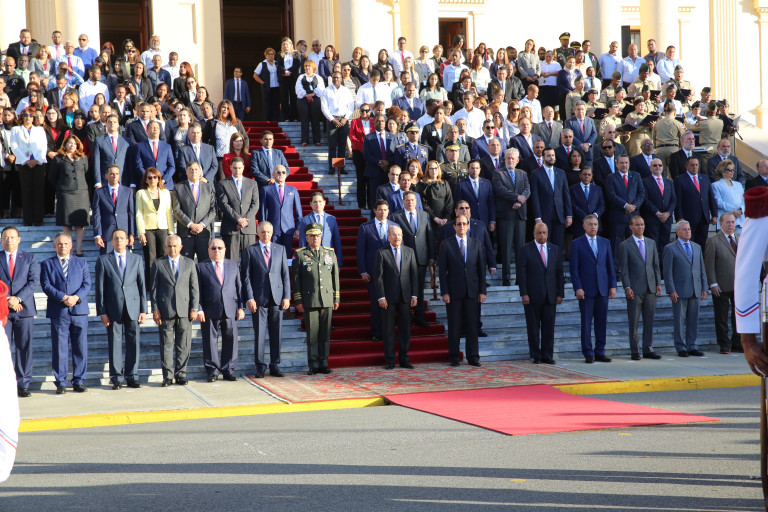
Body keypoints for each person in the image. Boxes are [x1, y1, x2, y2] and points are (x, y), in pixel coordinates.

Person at [95, 229, 147, 389]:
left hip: (133, 307)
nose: (119, 241)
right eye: (116, 238)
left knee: (133, 342)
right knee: (114, 343)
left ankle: (132, 376)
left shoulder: (136, 259)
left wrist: (143, 309)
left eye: (122, 238)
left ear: (127, 241)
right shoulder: (103, 260)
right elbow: (100, 288)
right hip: (113, 308)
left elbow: (142, 285)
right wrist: (102, 311)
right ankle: (116, 377)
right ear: (111, 242)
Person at [149, 235, 199, 386]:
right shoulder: (158, 264)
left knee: (183, 344)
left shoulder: (189, 263)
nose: (172, 249)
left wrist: (194, 308)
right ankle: (168, 376)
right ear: (166, 247)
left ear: (181, 247)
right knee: (166, 344)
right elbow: (154, 290)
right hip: (166, 311)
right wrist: (155, 309)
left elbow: (194, 288)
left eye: (175, 246)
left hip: (185, 310)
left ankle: (181, 374)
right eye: (170, 246)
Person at [438, 214, 487, 367]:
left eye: (464, 224)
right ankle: (454, 357)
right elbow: (442, 271)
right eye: (458, 224)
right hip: (453, 293)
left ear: (468, 226)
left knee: (472, 326)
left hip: (472, 292)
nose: (461, 226)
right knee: (455, 326)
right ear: (454, 226)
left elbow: (481, 270)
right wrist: (444, 292)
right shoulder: (446, 244)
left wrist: (482, 291)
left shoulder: (476, 244)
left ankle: (473, 357)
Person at [293, 222, 340, 375]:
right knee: (312, 333)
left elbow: (335, 276)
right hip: (310, 299)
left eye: (318, 236)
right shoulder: (300, 254)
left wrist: (336, 297)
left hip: (326, 298)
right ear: (306, 238)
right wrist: (298, 300)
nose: (315, 239)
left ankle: (324, 363)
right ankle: (313, 364)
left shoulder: (330, 253)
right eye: (312, 236)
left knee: (325, 333)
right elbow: (296, 280)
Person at [570, 214, 617, 364]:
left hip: (602, 288)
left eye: (595, 224)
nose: (593, 227)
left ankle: (600, 351)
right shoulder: (577, 244)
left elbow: (610, 266)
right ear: (584, 226)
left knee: (601, 322)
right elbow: (574, 269)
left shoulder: (605, 242)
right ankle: (588, 352)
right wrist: (578, 287)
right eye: (590, 224)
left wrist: (613, 285)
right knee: (586, 323)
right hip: (586, 290)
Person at [196, 239, 245, 382]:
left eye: (219, 248)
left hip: (230, 308)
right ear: (208, 250)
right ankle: (212, 371)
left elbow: (239, 288)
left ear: (225, 249)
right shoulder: (200, 267)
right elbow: (197, 291)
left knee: (231, 340)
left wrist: (241, 307)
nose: (216, 250)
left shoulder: (233, 265)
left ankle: (228, 369)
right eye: (213, 248)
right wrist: (199, 309)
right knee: (210, 341)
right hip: (209, 309)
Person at [517, 222, 564, 364]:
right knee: (533, 327)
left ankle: (547, 355)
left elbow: (559, 273)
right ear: (534, 234)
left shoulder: (555, 250)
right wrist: (524, 293)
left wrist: (560, 293)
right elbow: (522, 274)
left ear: (547, 234)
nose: (542, 235)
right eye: (539, 233)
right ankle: (536, 355)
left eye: (544, 233)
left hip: (550, 296)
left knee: (549, 327)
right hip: (532, 296)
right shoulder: (525, 250)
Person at [0, 226, 39, 397]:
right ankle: (5, 384)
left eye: (12, 237)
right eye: (5, 237)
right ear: (1, 240)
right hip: (2, 310)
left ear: (19, 239)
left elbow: (33, 281)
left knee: (24, 347)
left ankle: (23, 384)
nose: (9, 240)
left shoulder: (30, 258)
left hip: (24, 309)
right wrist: (8, 299)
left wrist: (18, 298)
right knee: (3, 348)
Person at [373, 225, 418, 369]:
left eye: (399, 234)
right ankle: (390, 360)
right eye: (393, 234)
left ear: (402, 236)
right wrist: (381, 296)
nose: (397, 237)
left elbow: (414, 275)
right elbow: (378, 277)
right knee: (388, 330)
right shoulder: (381, 253)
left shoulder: (409, 251)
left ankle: (404, 359)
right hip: (388, 298)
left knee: (405, 329)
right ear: (388, 237)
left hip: (405, 297)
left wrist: (414, 294)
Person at [617, 216, 662, 360]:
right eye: (637, 225)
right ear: (631, 227)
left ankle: (648, 348)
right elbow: (624, 269)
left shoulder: (651, 243)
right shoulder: (625, 245)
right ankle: (635, 350)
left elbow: (655, 265)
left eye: (642, 224)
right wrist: (627, 286)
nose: (640, 227)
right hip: (635, 289)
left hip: (650, 287)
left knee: (649, 320)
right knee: (634, 321)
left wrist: (658, 283)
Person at [663, 220, 708, 357]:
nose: (687, 231)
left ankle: (692, 345)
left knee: (693, 320)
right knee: (679, 320)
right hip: (679, 290)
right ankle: (680, 346)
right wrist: (671, 290)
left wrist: (704, 287)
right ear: (677, 232)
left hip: (695, 288)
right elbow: (667, 272)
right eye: (684, 229)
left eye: (688, 229)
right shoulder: (670, 248)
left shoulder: (697, 247)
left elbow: (701, 268)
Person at [391, 191, 433, 326]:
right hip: (403, 259)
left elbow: (429, 237)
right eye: (407, 200)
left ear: (416, 201)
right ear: (403, 201)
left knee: (419, 288)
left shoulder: (424, 215)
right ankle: (405, 317)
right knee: (404, 287)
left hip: (421, 257)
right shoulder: (395, 216)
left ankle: (420, 316)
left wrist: (432, 256)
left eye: (413, 200)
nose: (410, 202)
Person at [704, 212, 742, 354]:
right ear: (721, 224)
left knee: (738, 316)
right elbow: (709, 264)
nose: (731, 225)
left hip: (739, 285)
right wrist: (713, 283)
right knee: (722, 317)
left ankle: (737, 343)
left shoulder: (740, 237)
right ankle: (724, 344)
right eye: (727, 222)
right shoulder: (713, 240)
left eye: (732, 222)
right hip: (721, 285)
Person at [49, 134, 90, 256]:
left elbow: (86, 173)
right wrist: (61, 187)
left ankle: (79, 249)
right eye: (70, 142)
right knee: (67, 223)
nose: (72, 145)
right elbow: (51, 177)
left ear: (77, 145)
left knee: (80, 223)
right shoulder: (58, 158)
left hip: (81, 193)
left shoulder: (83, 158)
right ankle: (69, 249)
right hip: (65, 194)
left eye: (74, 143)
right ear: (65, 144)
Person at [604, 154, 645, 265]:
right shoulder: (611, 177)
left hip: (633, 216)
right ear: (616, 164)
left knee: (633, 244)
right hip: (618, 216)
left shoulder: (636, 176)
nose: (624, 165)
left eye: (626, 162)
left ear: (629, 164)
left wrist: (633, 206)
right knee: (616, 245)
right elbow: (611, 195)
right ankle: (616, 270)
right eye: (621, 163)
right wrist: (625, 205)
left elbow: (641, 193)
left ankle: (633, 267)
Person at [9, 107, 47, 226]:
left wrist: (37, 159)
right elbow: (14, 146)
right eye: (25, 115)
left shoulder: (40, 130)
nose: (28, 118)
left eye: (31, 116)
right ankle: (28, 220)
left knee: (38, 191)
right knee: (26, 191)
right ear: (22, 117)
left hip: (38, 163)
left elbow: (43, 145)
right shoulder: (16, 129)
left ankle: (38, 219)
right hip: (23, 164)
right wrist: (26, 160)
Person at [216, 157, 259, 261]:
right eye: (235, 168)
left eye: (239, 168)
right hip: (230, 228)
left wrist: (245, 220)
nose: (237, 170)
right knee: (231, 261)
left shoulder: (252, 183)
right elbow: (223, 204)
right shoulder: (223, 183)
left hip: (248, 228)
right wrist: (238, 219)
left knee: (249, 261)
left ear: (243, 168)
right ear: (230, 167)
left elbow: (255, 204)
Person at [172, 161, 216, 262]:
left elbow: (213, 209)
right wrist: (191, 225)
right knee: (186, 264)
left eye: (196, 169)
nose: (193, 171)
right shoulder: (179, 187)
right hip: (186, 233)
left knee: (205, 265)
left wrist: (201, 225)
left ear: (200, 171)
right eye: (191, 169)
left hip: (204, 233)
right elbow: (176, 210)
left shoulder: (208, 187)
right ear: (186, 172)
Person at [530, 146, 572, 249]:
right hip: (544, 216)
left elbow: (566, 195)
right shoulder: (535, 174)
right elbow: (534, 197)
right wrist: (538, 217)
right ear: (543, 157)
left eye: (553, 155)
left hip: (559, 215)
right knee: (545, 245)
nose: (551, 158)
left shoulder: (561, 173)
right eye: (548, 156)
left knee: (558, 245)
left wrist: (569, 215)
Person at [136, 167, 174, 280]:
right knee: (150, 258)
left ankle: (164, 282)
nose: (152, 179)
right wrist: (141, 232)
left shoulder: (165, 192)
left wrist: (171, 232)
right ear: (146, 180)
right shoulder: (141, 193)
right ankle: (151, 285)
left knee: (164, 256)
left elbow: (169, 212)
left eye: (155, 177)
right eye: (150, 177)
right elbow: (139, 214)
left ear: (159, 179)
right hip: (148, 229)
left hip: (163, 228)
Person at [674, 156, 717, 248]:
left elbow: (710, 198)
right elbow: (678, 200)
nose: (695, 167)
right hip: (688, 218)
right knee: (689, 243)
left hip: (703, 218)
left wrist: (714, 215)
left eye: (697, 165)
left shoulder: (705, 178)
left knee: (702, 244)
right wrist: (680, 217)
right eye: (692, 165)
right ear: (686, 166)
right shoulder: (680, 180)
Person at [91, 165, 135, 253]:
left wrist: (131, 234)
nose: (114, 176)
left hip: (124, 234)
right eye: (112, 174)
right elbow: (96, 215)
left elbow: (131, 214)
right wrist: (97, 235)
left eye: (117, 174)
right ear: (106, 176)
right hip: (107, 235)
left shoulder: (128, 191)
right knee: (107, 259)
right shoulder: (99, 192)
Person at [260, 165, 302, 254]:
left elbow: (298, 212)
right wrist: (263, 228)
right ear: (273, 174)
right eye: (278, 172)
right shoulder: (266, 190)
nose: (281, 174)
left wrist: (298, 228)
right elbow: (262, 211)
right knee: (274, 255)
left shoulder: (293, 190)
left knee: (287, 255)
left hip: (288, 229)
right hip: (272, 229)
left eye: (283, 172)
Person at [641, 158, 676, 263]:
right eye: (655, 165)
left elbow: (673, 200)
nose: (657, 167)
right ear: (650, 168)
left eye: (660, 165)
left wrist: (668, 213)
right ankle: (655, 266)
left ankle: (663, 267)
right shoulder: (645, 182)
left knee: (665, 245)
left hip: (667, 219)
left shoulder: (669, 182)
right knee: (654, 245)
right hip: (652, 219)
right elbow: (646, 200)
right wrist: (657, 213)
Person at [321, 71, 354, 175]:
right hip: (332, 120)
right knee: (332, 145)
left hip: (343, 119)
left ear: (341, 79)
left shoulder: (346, 91)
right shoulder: (326, 91)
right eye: (334, 77)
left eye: (338, 78)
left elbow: (351, 106)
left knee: (342, 144)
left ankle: (341, 167)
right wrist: (332, 120)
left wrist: (345, 118)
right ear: (332, 79)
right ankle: (332, 167)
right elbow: (324, 108)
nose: (336, 79)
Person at [363, 114, 396, 211]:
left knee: (390, 197)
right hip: (374, 172)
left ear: (385, 123)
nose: (380, 123)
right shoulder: (368, 137)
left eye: (382, 121)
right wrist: (379, 162)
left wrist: (388, 163)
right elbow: (366, 155)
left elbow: (396, 153)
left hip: (390, 172)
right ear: (374, 123)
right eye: (377, 121)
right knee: (375, 198)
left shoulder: (392, 137)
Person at [298, 192, 343, 259]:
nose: (318, 204)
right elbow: (302, 242)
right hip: (311, 256)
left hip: (328, 256)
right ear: (311, 204)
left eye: (320, 201)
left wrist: (338, 260)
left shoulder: (332, 219)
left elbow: (337, 241)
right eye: (315, 202)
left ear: (324, 202)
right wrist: (303, 258)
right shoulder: (305, 220)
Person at [132, 120, 175, 189]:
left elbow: (172, 166)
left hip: (164, 185)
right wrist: (149, 178)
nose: (155, 129)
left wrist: (163, 179)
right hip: (147, 185)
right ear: (147, 130)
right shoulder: (140, 146)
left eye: (157, 128)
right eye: (153, 127)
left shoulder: (167, 147)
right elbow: (139, 166)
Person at [349, 103, 373, 208]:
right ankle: (362, 204)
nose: (364, 112)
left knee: (370, 179)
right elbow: (353, 137)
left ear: (370, 112)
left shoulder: (373, 121)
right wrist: (364, 149)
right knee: (361, 179)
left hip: (371, 154)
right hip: (359, 153)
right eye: (362, 110)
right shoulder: (354, 122)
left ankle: (371, 204)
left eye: (366, 110)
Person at [711, 159, 745, 232]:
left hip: (739, 220)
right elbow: (718, 202)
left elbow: (743, 200)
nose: (732, 171)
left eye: (733, 170)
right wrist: (733, 210)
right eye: (729, 170)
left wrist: (741, 210)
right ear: (723, 171)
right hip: (725, 219)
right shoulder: (716, 185)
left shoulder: (738, 185)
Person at [564, 102, 597, 167]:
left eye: (582, 109)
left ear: (586, 110)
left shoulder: (590, 121)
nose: (580, 111)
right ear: (574, 110)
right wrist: (580, 145)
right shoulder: (569, 122)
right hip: (576, 153)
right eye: (578, 109)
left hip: (588, 153)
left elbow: (594, 133)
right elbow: (569, 135)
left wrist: (588, 144)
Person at [253, 48, 280, 121]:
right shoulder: (262, 64)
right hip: (267, 87)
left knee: (276, 105)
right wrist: (262, 83)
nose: (271, 56)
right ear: (266, 55)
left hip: (276, 87)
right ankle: (267, 122)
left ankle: (275, 121)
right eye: (269, 54)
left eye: (272, 54)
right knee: (267, 105)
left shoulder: (277, 63)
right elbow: (255, 75)